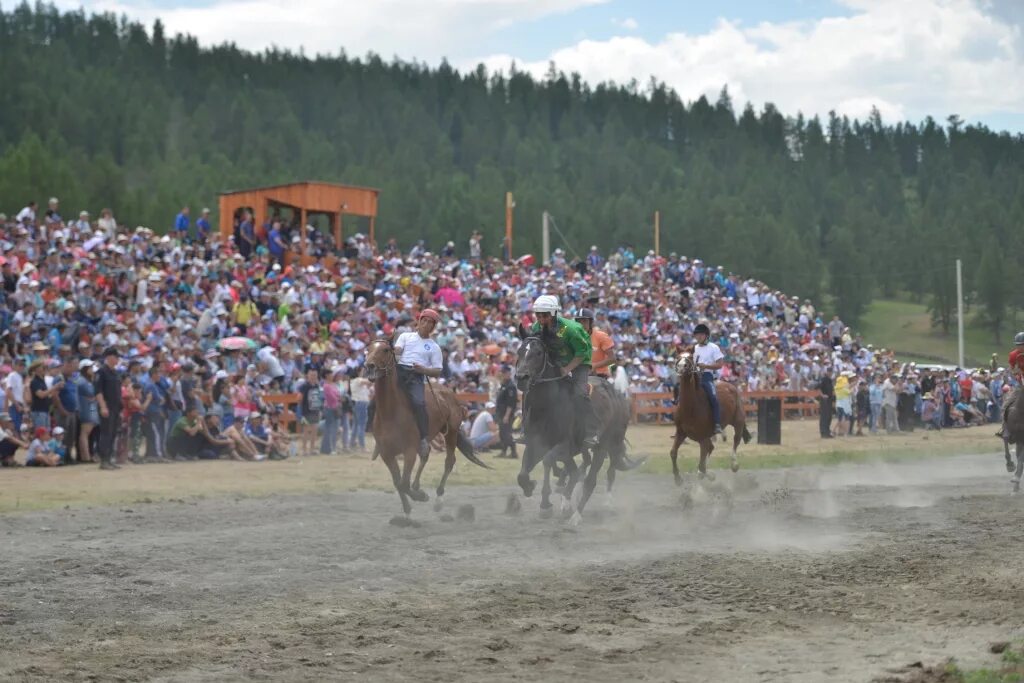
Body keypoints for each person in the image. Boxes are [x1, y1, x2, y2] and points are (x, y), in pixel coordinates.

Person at [528, 295, 598, 446]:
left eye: (545, 315)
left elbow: (582, 353)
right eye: (538, 315)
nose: (541, 319)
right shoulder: (536, 328)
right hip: (557, 362)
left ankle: (592, 431)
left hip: (579, 362)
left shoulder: (570, 329)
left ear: (554, 314)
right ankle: (528, 428)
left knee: (579, 393)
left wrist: (567, 369)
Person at [394, 308, 444, 458]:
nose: (426, 324)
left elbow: (437, 371)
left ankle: (423, 439)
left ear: (433, 327)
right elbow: (397, 350)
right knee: (380, 396)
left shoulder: (434, 347)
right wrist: (393, 349)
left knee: (419, 403)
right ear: (419, 321)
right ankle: (375, 431)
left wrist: (423, 370)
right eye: (425, 320)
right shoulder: (405, 336)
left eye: (430, 322)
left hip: (417, 376)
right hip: (400, 371)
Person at [692, 323, 724, 435]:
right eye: (697, 335)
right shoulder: (693, 348)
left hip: (707, 376)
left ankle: (717, 424)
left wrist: (706, 366)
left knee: (713, 397)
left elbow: (720, 364)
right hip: (694, 375)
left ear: (706, 335)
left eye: (701, 334)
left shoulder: (714, 347)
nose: (699, 337)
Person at [95, 347, 123, 470]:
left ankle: (109, 458)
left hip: (116, 408)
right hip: (107, 407)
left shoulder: (115, 373)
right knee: (106, 434)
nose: (117, 359)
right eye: (115, 357)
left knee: (113, 433)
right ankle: (104, 460)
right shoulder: (101, 372)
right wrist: (102, 407)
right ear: (109, 357)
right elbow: (98, 391)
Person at [575, 308, 616, 378]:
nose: (581, 324)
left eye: (584, 321)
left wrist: (594, 366)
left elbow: (612, 359)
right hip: (579, 376)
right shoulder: (573, 336)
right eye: (579, 322)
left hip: (600, 375)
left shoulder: (601, 336)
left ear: (591, 322)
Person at [76, 359, 99, 463]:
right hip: (86, 408)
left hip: (92, 407)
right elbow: (92, 393)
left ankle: (88, 455)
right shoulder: (81, 381)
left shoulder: (89, 381)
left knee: (90, 431)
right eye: (89, 368)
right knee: (85, 432)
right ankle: (85, 457)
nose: (92, 370)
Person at [494, 365, 518, 459]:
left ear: (509, 374)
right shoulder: (503, 385)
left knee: (506, 434)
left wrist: (507, 416)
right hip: (501, 413)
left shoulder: (510, 386)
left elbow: (510, 403)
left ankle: (513, 452)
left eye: (505, 373)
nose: (503, 374)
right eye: (503, 373)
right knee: (502, 434)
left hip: (506, 414)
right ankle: (503, 452)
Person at [818, 370, 835, 439]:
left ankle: (827, 431)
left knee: (829, 416)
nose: (830, 373)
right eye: (829, 372)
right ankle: (823, 432)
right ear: (827, 372)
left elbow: (832, 390)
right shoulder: (824, 379)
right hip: (825, 400)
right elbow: (819, 388)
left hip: (830, 400)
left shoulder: (830, 380)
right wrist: (822, 395)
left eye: (831, 372)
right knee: (824, 416)